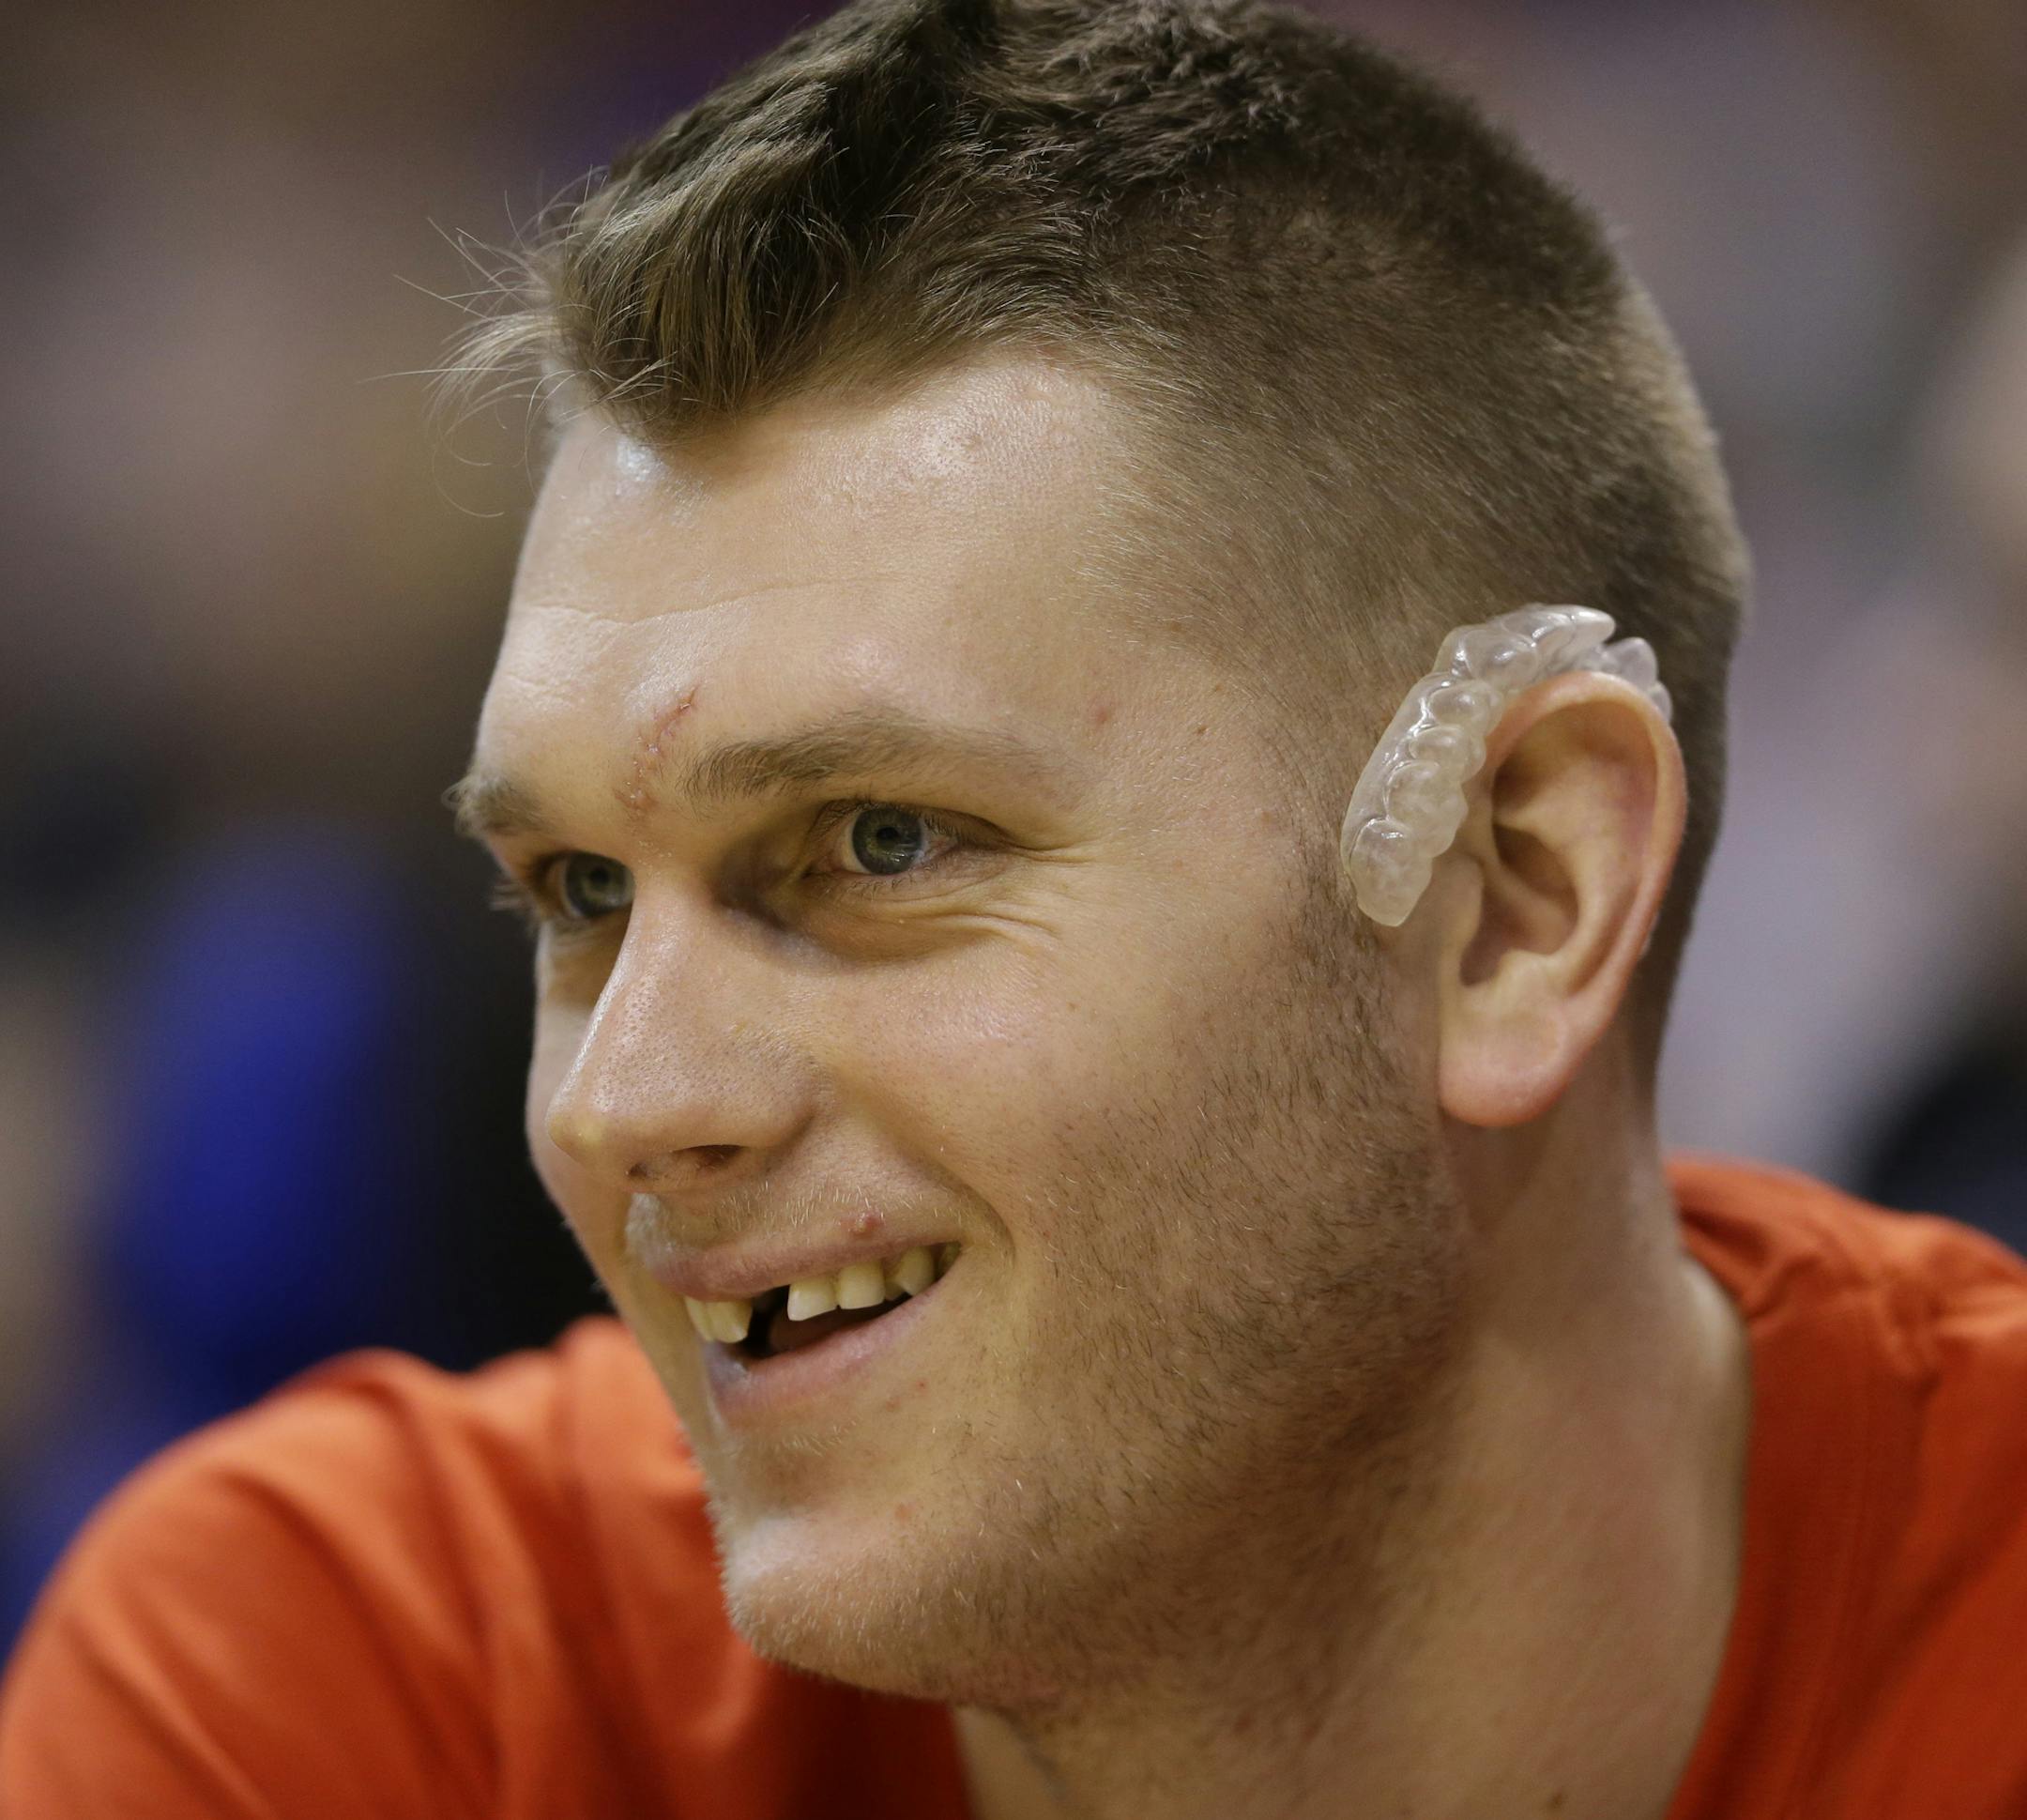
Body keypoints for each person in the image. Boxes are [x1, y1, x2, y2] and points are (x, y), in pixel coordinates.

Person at [5, 2, 2025, 1814]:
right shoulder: (357, 1685)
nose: (626, 1104)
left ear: (1518, 896)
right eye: (581, 892)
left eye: (881, 843)